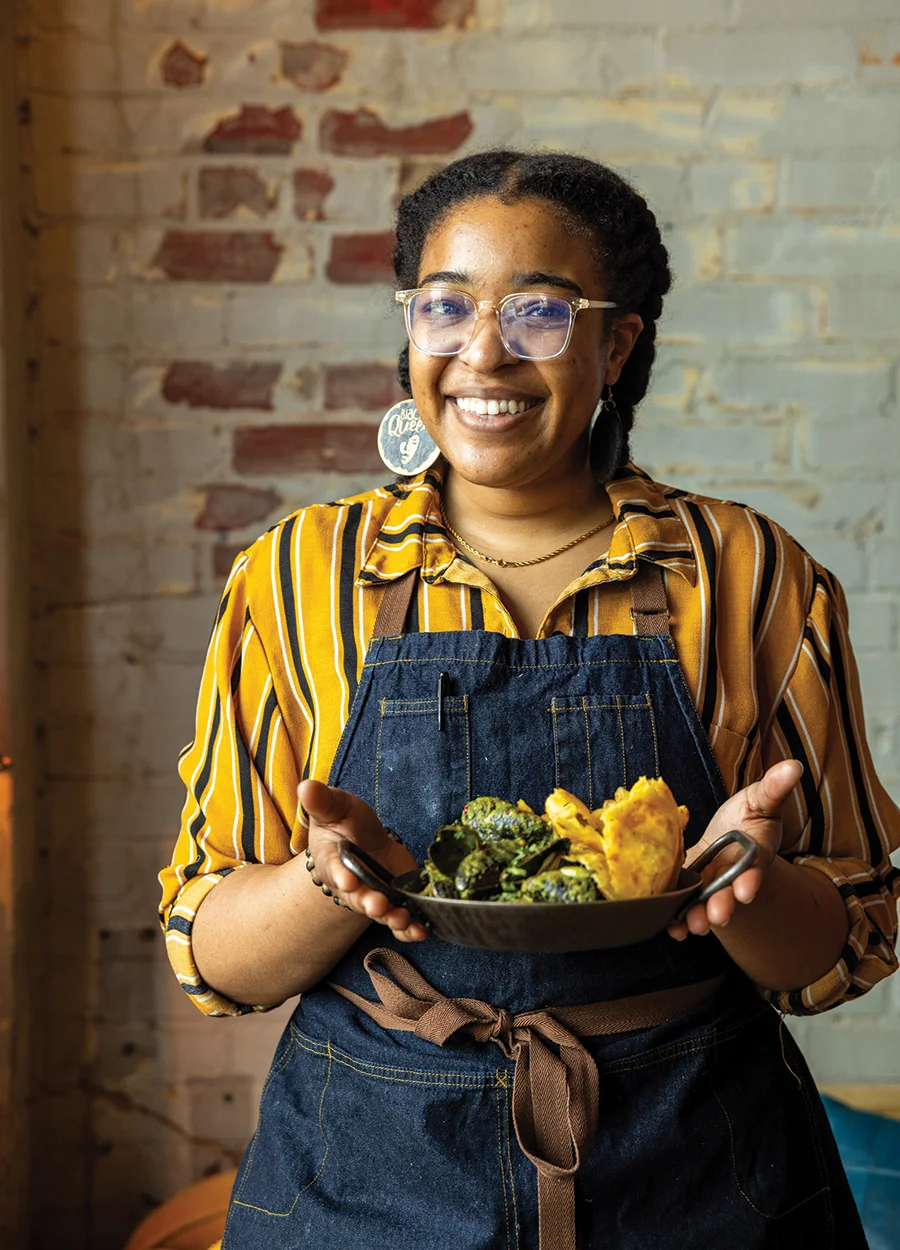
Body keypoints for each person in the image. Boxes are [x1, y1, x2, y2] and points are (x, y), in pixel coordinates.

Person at [159, 151, 900, 1250]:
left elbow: (848, 943)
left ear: (617, 343)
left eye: (541, 311)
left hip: (699, 1174)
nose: (483, 349)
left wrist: (753, 881)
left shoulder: (751, 575)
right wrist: (331, 878)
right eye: (445, 305)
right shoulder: (297, 575)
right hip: (364, 1173)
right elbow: (207, 952)